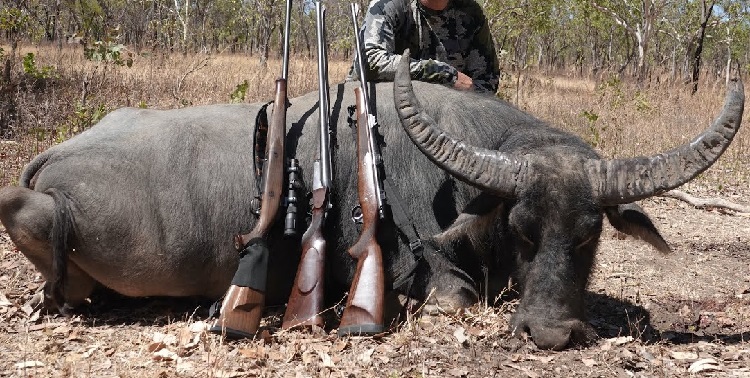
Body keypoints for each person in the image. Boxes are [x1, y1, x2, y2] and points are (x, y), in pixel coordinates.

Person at [350, 0, 500, 93]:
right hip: (386, 108)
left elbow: (487, 81)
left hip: (447, 112)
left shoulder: (471, 13)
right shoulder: (389, 4)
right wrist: (442, 74)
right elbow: (369, 63)